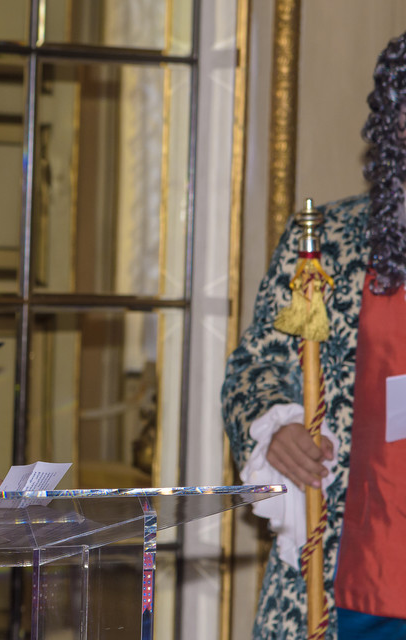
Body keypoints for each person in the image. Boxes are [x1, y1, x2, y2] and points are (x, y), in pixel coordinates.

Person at [222, 31, 406, 639]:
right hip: (354, 579)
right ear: (396, 121)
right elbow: (257, 368)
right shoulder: (324, 248)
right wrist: (276, 428)